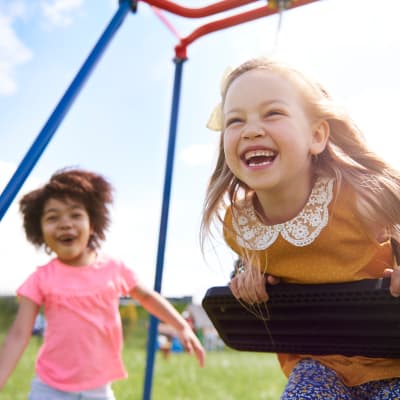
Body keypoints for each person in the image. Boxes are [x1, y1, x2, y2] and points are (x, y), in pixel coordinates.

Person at [201, 57, 400, 399]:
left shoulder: (358, 198)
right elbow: (265, 267)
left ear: (317, 135)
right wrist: (251, 282)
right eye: (235, 120)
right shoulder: (239, 226)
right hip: (317, 362)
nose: (251, 129)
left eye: (272, 113)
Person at [0, 168, 205, 399]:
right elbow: (19, 333)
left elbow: (148, 298)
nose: (65, 224)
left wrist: (181, 326)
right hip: (49, 388)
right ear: (40, 230)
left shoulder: (113, 269)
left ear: (93, 223)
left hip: (98, 390)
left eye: (75, 215)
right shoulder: (40, 278)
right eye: (52, 217)